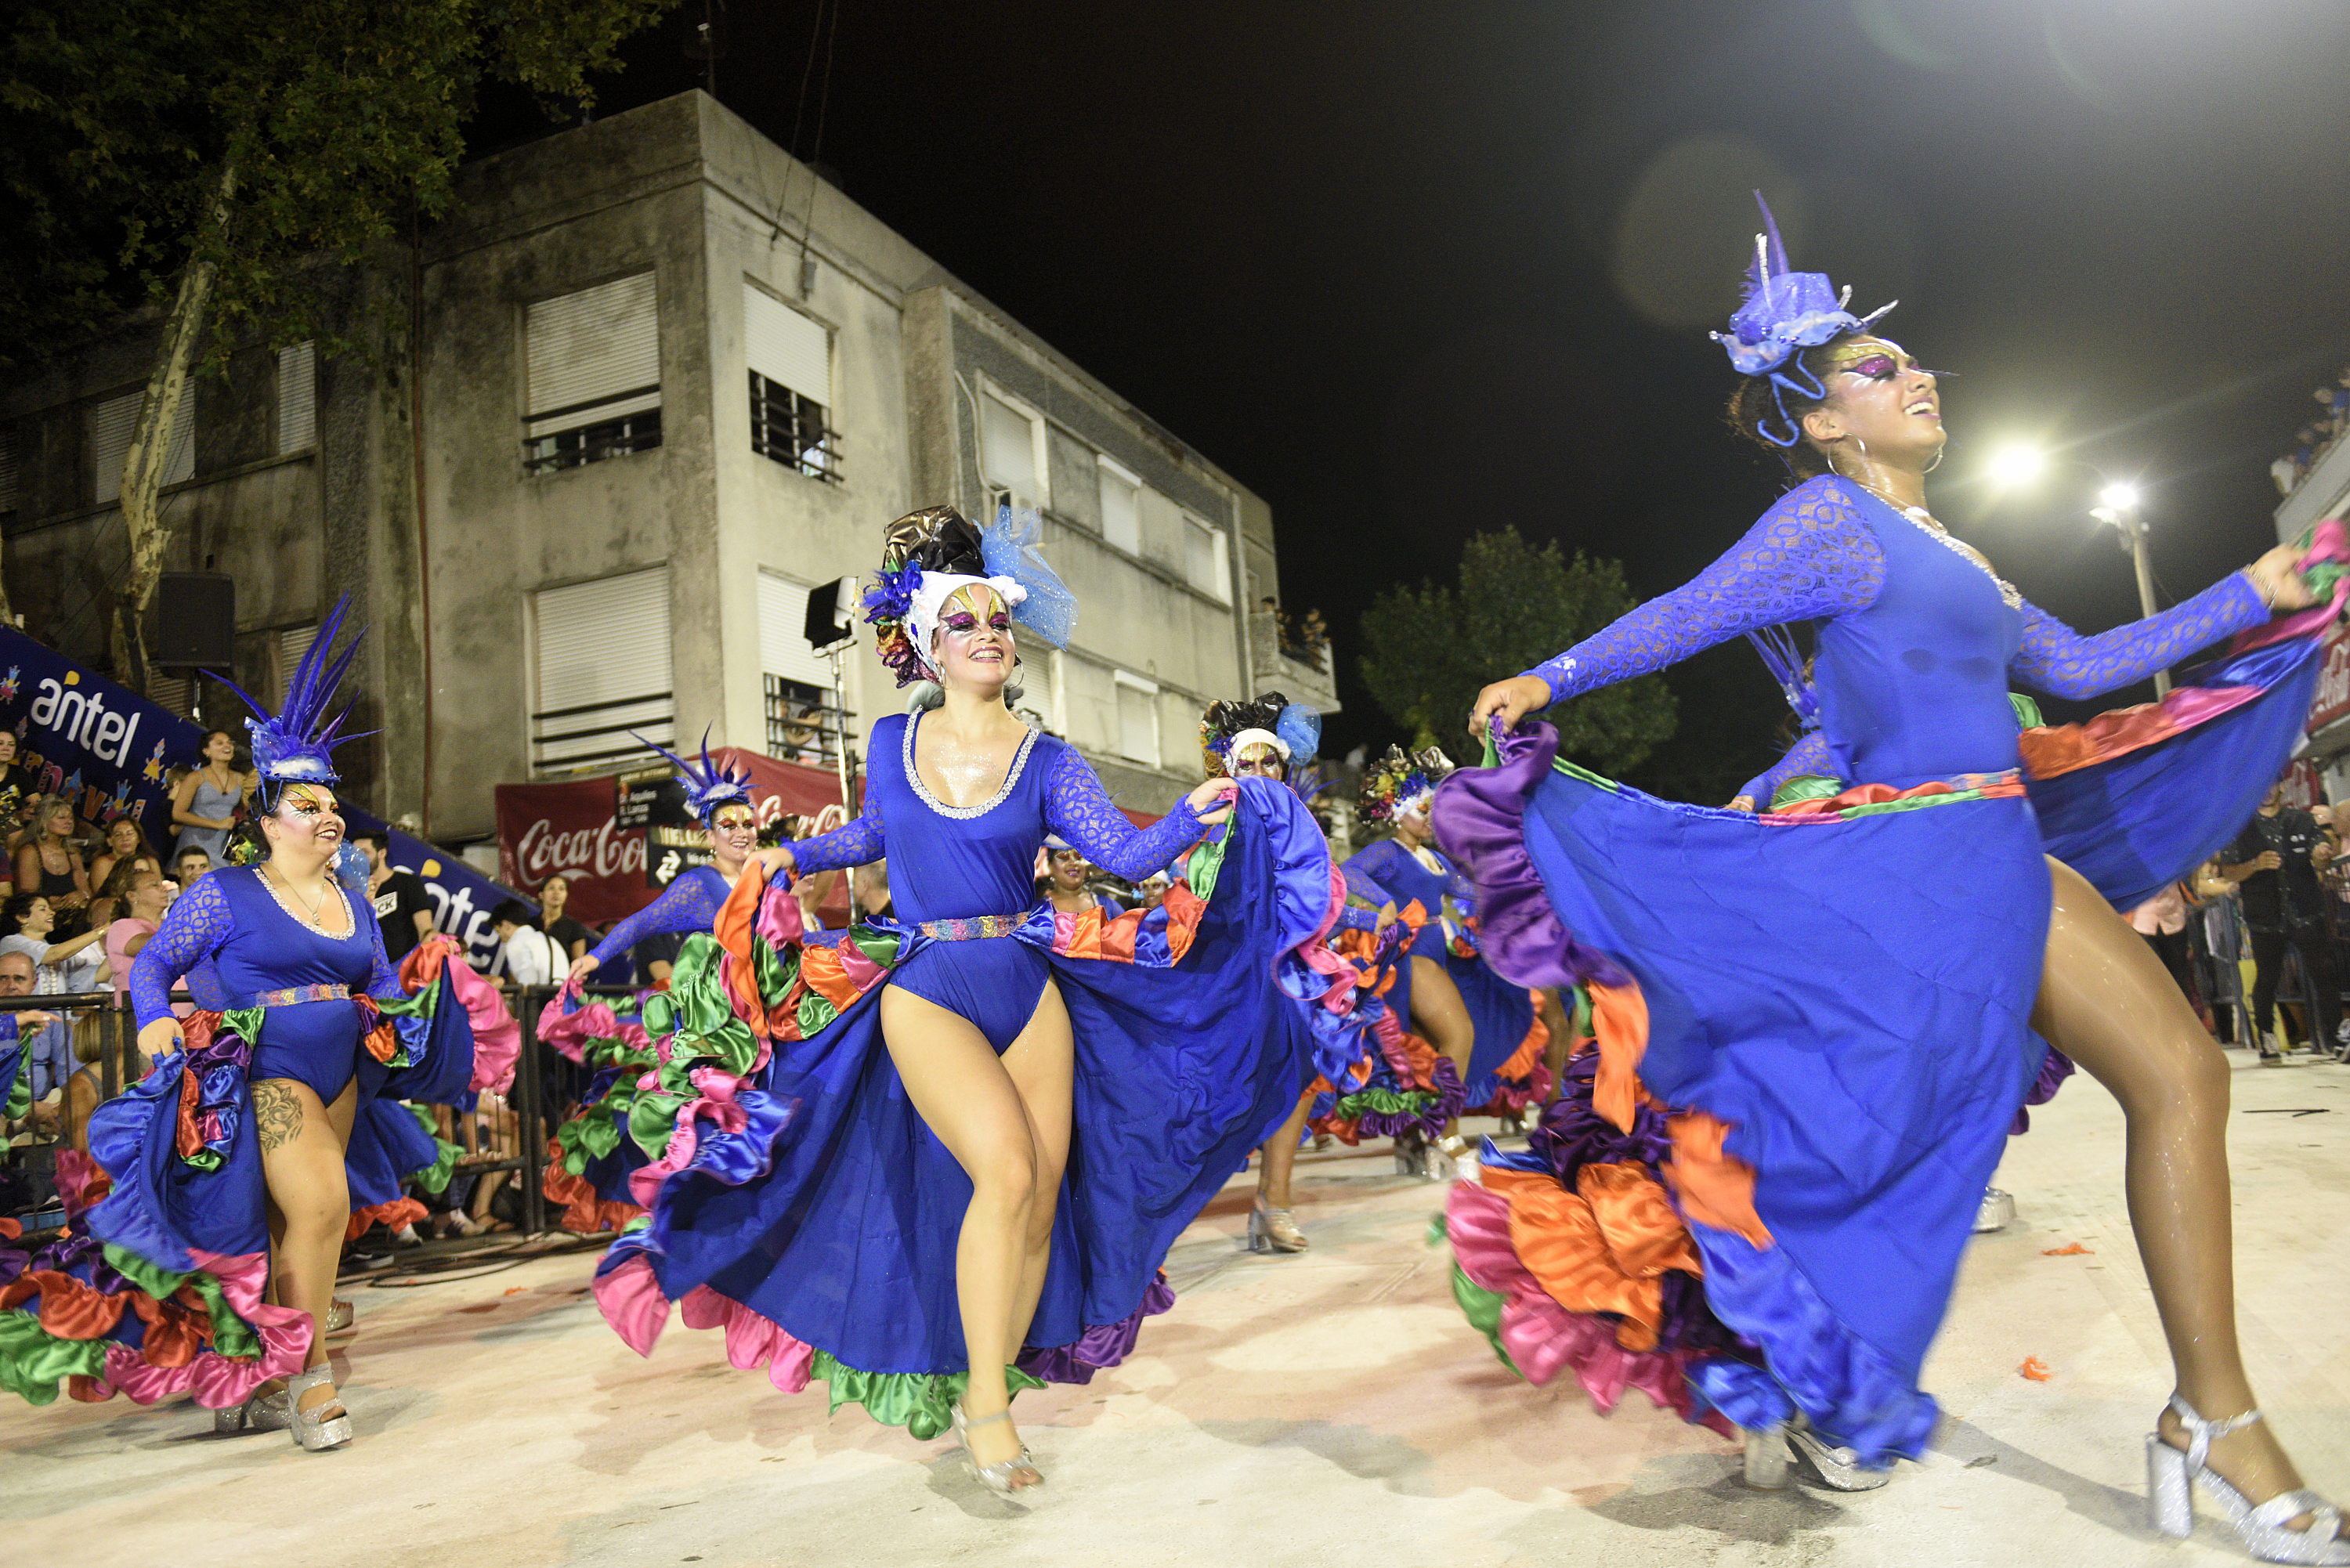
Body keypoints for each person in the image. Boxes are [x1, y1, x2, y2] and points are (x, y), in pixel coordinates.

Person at [1449, 201, 2348, 1559]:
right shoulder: (1829, 521)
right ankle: (1800, 1378)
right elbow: (1696, 610)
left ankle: (2206, 1421)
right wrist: (1549, 677)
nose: (1914, 375)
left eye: (1911, 359)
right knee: (1853, 1153)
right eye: (1876, 368)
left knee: (2184, 1076)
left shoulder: (1957, 551)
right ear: (1822, 421)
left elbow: (2085, 668)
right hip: (1915, 868)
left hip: (2000, 851)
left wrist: (2253, 588)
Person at [591, 506, 1342, 1495]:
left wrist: (1190, 816)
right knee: (1003, 1168)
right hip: (926, 985)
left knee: (1035, 1201)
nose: (989, 630)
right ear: (931, 644)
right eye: (967, 620)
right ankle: (984, 1402)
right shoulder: (896, 738)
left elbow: (1120, 857)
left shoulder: (1047, 755)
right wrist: (791, 854)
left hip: (1026, 986)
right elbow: (869, 839)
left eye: (999, 619)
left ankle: (995, 1370)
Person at [0, 599, 480, 1448]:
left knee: (287, 1222)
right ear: (265, 818)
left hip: (341, 1075)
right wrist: (151, 1018)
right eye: (306, 803)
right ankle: (309, 1382)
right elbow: (152, 963)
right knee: (323, 1205)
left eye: (333, 802)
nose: (328, 814)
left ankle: (262, 1372)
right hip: (266, 1070)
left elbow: (375, 986)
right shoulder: (223, 893)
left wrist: (429, 986)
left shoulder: (350, 901)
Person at [1343, 747, 1546, 1178]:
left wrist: (1517, 881)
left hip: (1436, 954)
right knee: (1460, 1034)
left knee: (1429, 1052)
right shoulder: (1388, 852)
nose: (1431, 817)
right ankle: (1445, 1135)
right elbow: (1347, 872)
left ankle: (1412, 1141)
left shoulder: (1432, 859)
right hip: (1412, 955)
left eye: (1434, 808)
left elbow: (1470, 891)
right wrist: (1385, 905)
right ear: (1398, 811)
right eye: (1422, 808)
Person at [2218, 781, 2341, 1061]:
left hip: (2306, 913)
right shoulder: (2239, 826)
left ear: (2282, 786)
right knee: (2268, 979)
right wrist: (2254, 865)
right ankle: (2267, 1036)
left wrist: (2322, 855)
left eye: (2273, 782)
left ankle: (2334, 1037)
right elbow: (2228, 871)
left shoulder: (2301, 819)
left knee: (2324, 975)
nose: (2267, 789)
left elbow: (2320, 856)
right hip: (2265, 917)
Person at [0, 950, 68, 1138]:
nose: (11, 986)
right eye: (3, 979)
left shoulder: (51, 1021)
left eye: (19, 979)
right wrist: (27, 1108)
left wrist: (55, 1109)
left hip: (46, 1110)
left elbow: (69, 1076)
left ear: (34, 983)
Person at [169, 729, 253, 869]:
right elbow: (178, 814)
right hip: (195, 843)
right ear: (206, 751)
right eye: (220, 743)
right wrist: (217, 824)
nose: (227, 746)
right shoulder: (195, 778)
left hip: (224, 845)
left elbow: (248, 810)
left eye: (229, 743)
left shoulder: (241, 779)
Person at [0, 892, 109, 995]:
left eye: (50, 909)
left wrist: (120, 943)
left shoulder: (55, 949)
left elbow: (98, 976)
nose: (52, 913)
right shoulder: (11, 943)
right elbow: (55, 954)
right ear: (22, 918)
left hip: (58, 1014)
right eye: (43, 909)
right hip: (27, 1013)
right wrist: (103, 929)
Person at [350, 829, 433, 961]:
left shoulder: (408, 882)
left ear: (382, 853)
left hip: (403, 970)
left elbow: (426, 931)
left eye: (364, 852)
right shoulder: (352, 890)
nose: (357, 858)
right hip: (366, 970)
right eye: (354, 853)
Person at [13, 797, 89, 932]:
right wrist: (58, 902)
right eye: (61, 818)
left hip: (73, 920)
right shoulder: (30, 852)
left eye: (71, 818)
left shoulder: (72, 854)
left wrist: (81, 895)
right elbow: (27, 897)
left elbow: (87, 892)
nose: (69, 822)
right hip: (39, 924)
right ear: (44, 822)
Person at [103, 865, 175, 1002]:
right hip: (138, 1016)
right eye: (154, 885)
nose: (163, 889)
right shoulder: (121, 927)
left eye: (162, 884)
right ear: (132, 896)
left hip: (185, 1016)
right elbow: (150, 946)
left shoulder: (171, 926)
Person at [492, 898, 566, 988]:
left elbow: (528, 982)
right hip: (563, 997)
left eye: (498, 931)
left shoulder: (515, 943)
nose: (500, 937)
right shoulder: (550, 940)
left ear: (506, 925)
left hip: (545, 999)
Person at [89, 816, 162, 894]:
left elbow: (158, 889)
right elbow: (101, 895)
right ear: (110, 841)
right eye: (118, 835)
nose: (125, 839)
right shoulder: (102, 863)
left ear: (139, 839)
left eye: (130, 834)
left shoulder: (150, 861)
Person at [537, 873, 597, 963]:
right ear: (541, 895)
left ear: (566, 895)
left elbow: (578, 965)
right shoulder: (531, 924)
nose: (556, 893)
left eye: (561, 889)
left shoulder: (574, 928)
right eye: (551, 888)